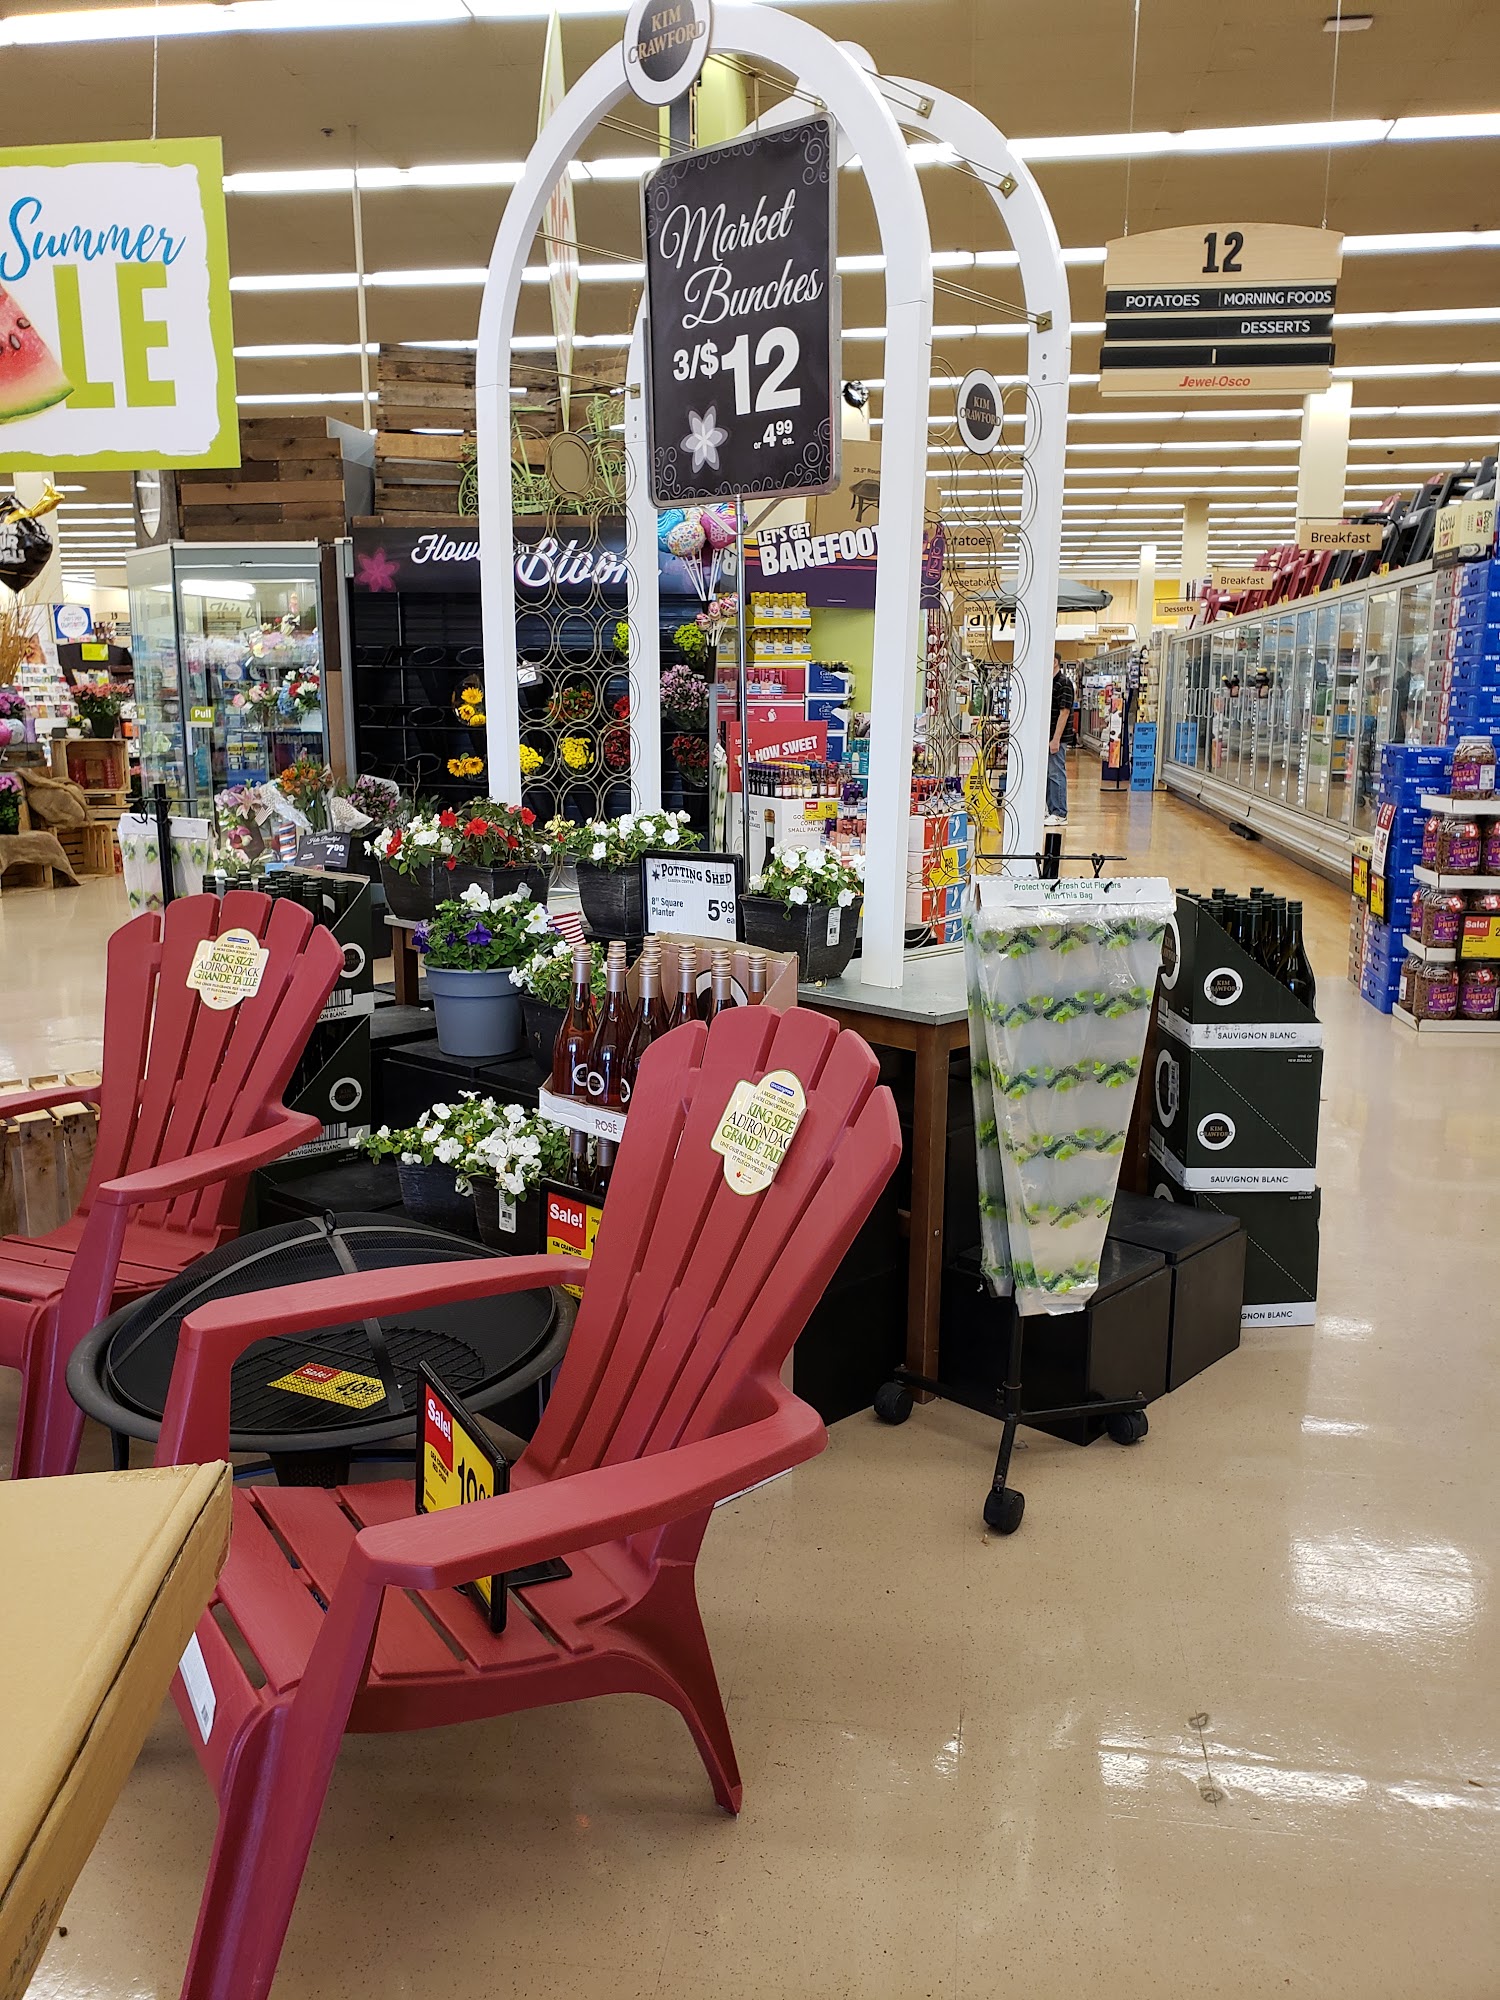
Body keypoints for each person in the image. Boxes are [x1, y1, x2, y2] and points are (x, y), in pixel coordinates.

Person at [1047, 658, 1075, 825]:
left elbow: (1064, 712)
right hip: (1048, 736)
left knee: (1056, 773)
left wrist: (1056, 739)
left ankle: (1060, 812)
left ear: (1055, 662)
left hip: (1057, 738)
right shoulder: (1049, 682)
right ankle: (1052, 810)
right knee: (1049, 774)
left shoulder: (1064, 683)